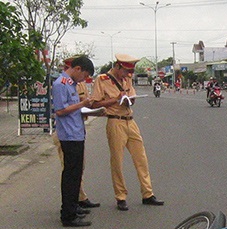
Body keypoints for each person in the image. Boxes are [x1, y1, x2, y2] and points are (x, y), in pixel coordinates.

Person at [91, 54, 164, 211]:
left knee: (141, 158)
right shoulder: (102, 80)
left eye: (130, 72)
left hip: (130, 120)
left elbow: (132, 96)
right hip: (115, 121)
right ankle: (121, 196)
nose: (128, 75)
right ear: (117, 66)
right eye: (125, 71)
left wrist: (129, 99)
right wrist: (116, 99)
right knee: (117, 161)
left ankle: (147, 194)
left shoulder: (127, 79)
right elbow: (94, 103)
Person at [52, 56, 101, 210]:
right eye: (84, 75)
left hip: (77, 133)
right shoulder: (61, 84)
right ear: (77, 68)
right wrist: (82, 104)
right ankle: (68, 212)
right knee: (71, 175)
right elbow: (60, 111)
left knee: (77, 173)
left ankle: (74, 206)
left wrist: (93, 111)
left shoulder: (71, 84)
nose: (83, 80)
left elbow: (73, 109)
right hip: (68, 135)